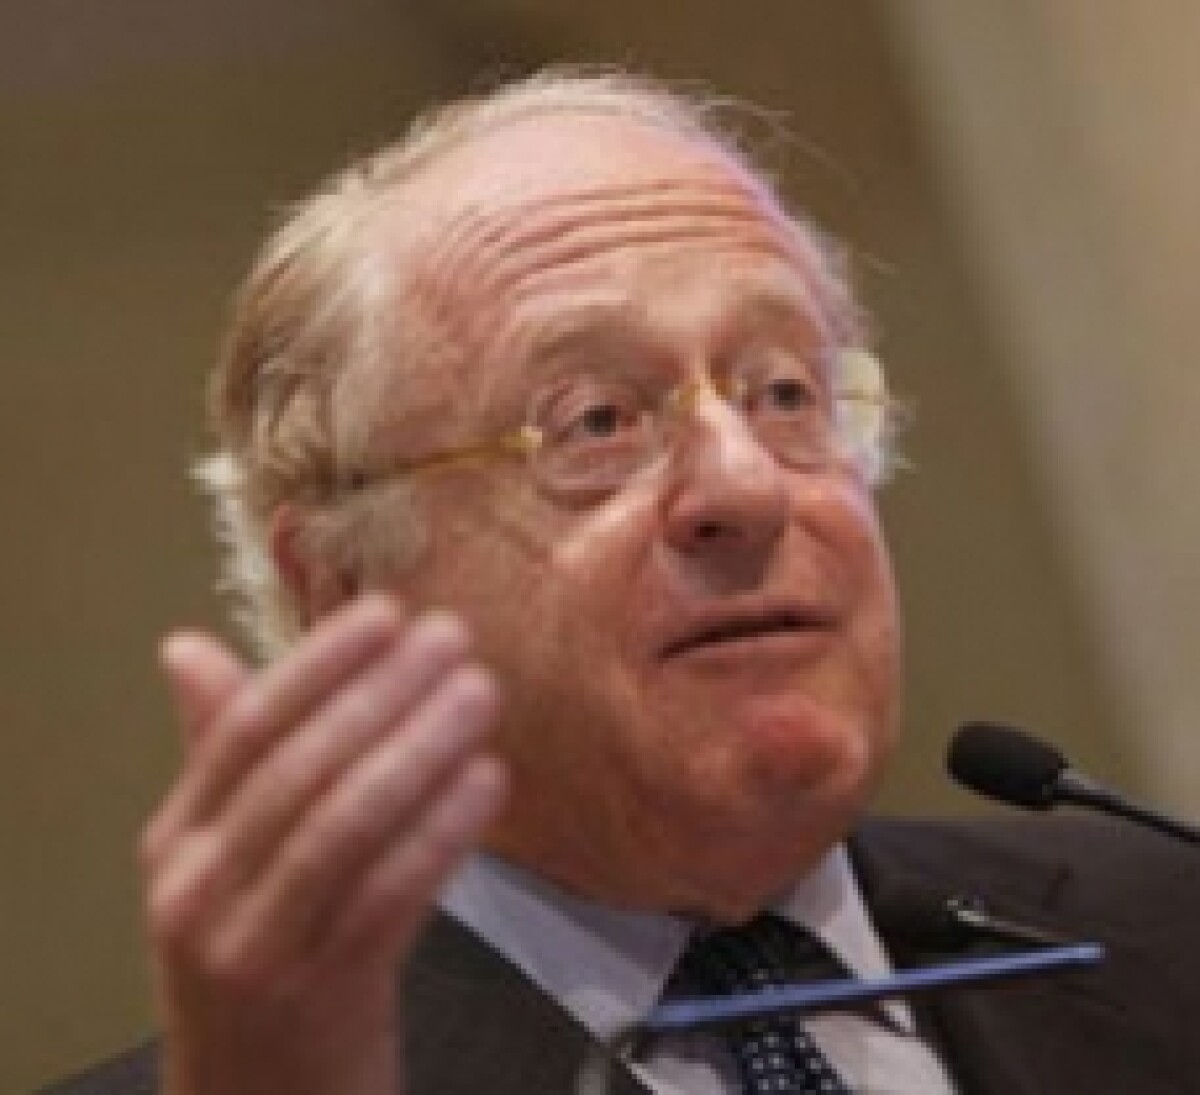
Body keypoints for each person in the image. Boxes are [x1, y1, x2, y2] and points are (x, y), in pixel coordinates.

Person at [45, 69, 1200, 1095]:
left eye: (785, 394)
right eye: (595, 421)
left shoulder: (1164, 927)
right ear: (345, 586)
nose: (744, 486)